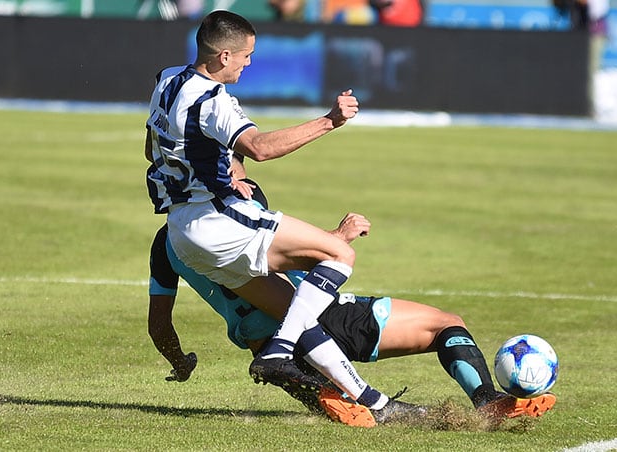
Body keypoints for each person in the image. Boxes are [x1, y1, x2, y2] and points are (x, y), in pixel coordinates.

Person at [147, 171, 557, 428]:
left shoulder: (169, 242)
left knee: (341, 403)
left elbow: (159, 324)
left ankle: (330, 392)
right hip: (326, 315)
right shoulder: (243, 201)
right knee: (447, 324)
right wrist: (335, 238)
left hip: (270, 341)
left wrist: (180, 362)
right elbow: (274, 258)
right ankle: (486, 401)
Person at [144, 10, 400, 418]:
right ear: (223, 56)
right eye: (246, 56)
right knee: (338, 253)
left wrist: (212, 170)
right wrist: (330, 120)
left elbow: (151, 148)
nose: (249, 63)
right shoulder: (213, 101)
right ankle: (278, 351)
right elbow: (259, 149)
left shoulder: (167, 77)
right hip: (216, 220)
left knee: (296, 310)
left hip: (181, 231)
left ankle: (376, 403)